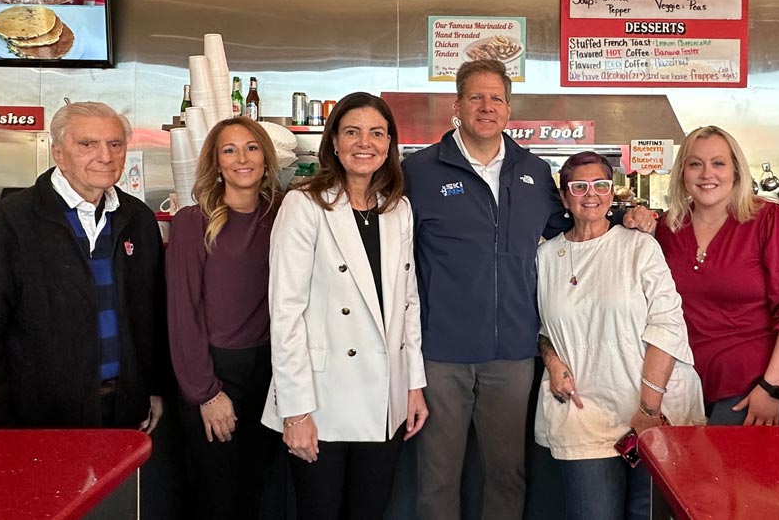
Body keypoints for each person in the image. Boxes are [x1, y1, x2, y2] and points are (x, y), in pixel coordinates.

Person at [403, 59, 657, 520]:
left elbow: (572, 219)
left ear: (508, 107)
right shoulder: (420, 171)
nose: (486, 107)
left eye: (496, 98)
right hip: (440, 351)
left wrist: (625, 216)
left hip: (512, 353)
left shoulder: (533, 171)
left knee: (507, 473)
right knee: (438, 476)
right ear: (456, 106)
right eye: (476, 97)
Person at [263, 92, 428, 520]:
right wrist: (294, 411)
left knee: (370, 510)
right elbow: (285, 314)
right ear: (334, 141)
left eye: (377, 133)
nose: (364, 143)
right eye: (352, 132)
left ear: (389, 144)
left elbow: (408, 303)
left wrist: (413, 385)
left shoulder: (397, 208)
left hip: (385, 397)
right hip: (321, 400)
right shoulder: (304, 204)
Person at [0, 101, 168, 430]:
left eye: (115, 144)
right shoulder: (6, 224)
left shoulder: (138, 219)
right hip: (37, 418)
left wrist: (153, 387)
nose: (105, 156)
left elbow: (151, 314)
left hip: (124, 407)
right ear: (58, 153)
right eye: (88, 144)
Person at [534, 152, 705, 520]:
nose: (590, 194)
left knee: (648, 514)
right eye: (579, 187)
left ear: (613, 193)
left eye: (600, 185)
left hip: (651, 408)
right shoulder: (546, 256)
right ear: (564, 197)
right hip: (583, 412)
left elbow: (667, 325)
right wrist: (552, 361)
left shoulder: (639, 246)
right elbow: (543, 327)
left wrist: (648, 409)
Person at [655, 126, 779, 425]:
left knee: (720, 457)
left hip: (762, 380)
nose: (707, 174)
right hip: (691, 381)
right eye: (695, 164)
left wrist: (772, 387)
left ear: (736, 171)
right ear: (682, 173)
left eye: (718, 163)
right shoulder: (669, 227)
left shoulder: (770, 220)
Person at [166, 116, 283, 519]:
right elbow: (183, 313)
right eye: (229, 150)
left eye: (251, 148)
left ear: (266, 159)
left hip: (270, 371)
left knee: (258, 491)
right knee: (216, 497)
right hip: (214, 372)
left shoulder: (283, 214)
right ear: (216, 164)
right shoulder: (192, 221)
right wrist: (206, 393)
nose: (242, 159)